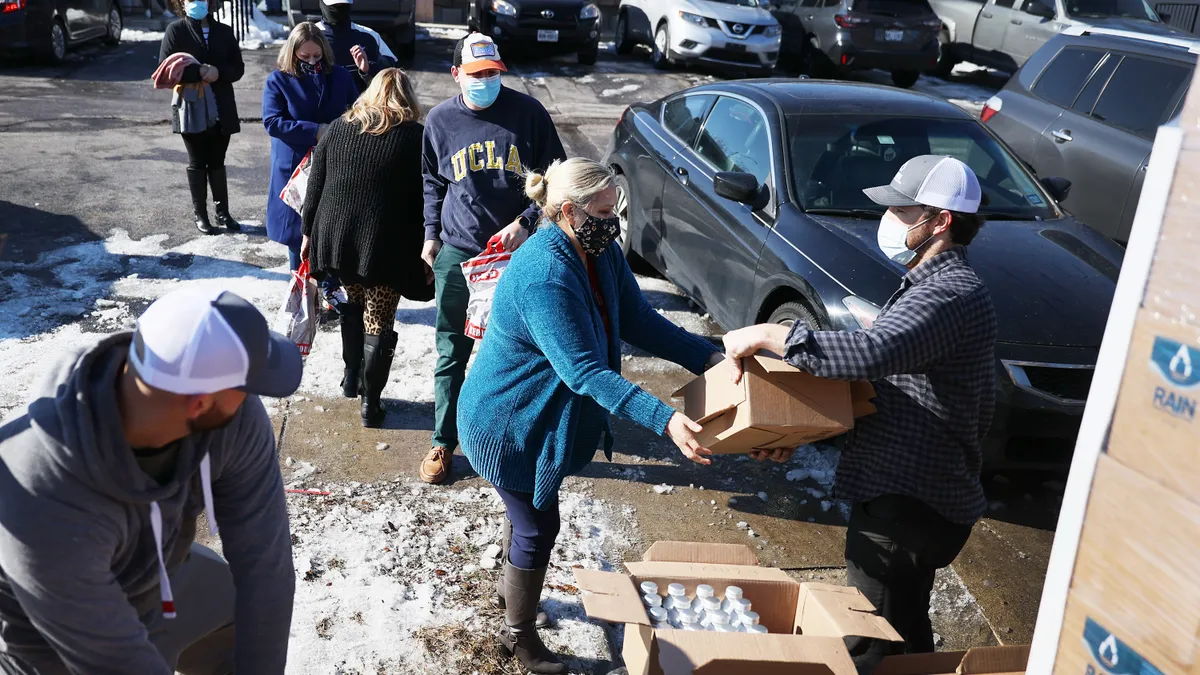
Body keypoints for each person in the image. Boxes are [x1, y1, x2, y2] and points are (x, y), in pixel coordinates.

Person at [723, 155, 998, 674]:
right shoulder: (936, 285)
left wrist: (768, 334)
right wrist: (797, 428)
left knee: (871, 641)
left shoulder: (946, 294)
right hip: (914, 494)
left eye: (901, 209)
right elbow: (888, 380)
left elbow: (870, 355)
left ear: (939, 221)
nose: (888, 219)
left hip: (909, 503)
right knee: (904, 624)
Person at [458, 158, 723, 674]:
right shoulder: (545, 273)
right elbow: (583, 372)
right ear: (569, 212)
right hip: (509, 423)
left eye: (616, 210)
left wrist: (706, 357)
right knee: (538, 525)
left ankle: (509, 594)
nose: (614, 221)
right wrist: (664, 419)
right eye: (604, 212)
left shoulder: (597, 252)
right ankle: (521, 637)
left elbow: (641, 320)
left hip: (540, 417)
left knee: (527, 516)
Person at [0, 287, 301, 674]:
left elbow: (266, 567)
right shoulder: (40, 495)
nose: (251, 397)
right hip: (54, 644)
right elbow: (114, 663)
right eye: (244, 388)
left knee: (242, 614)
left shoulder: (229, 416)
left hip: (156, 580)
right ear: (199, 403)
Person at [420, 33, 567, 485]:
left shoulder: (529, 114)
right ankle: (443, 442)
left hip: (518, 256)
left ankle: (514, 440)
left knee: (521, 349)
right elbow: (432, 182)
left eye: (493, 73)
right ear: (456, 74)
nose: (486, 81)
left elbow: (557, 176)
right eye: (477, 74)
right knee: (452, 348)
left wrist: (526, 220)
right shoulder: (441, 120)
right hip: (460, 253)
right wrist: (430, 236)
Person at [301, 68, 433, 428]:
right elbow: (426, 196)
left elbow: (315, 182)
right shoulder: (415, 137)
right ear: (407, 97)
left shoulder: (339, 127)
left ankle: (350, 377)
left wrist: (307, 231)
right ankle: (370, 404)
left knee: (352, 305)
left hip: (337, 239)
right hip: (383, 246)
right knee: (379, 318)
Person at [263, 22, 360, 274]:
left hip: (333, 163)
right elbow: (273, 122)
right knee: (297, 236)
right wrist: (315, 130)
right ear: (292, 52)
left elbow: (357, 110)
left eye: (317, 56)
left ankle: (330, 288)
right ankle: (302, 289)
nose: (312, 61)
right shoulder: (278, 80)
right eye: (304, 56)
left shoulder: (339, 75)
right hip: (295, 166)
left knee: (330, 230)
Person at [159, 0, 245, 236]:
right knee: (198, 160)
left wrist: (219, 73)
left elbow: (237, 67)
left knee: (218, 160)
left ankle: (222, 212)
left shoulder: (224, 31)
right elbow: (166, 67)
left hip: (221, 105)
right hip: (192, 107)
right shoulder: (176, 30)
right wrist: (199, 72)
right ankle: (201, 215)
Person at [316, 0, 394, 94]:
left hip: (362, 106)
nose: (339, 9)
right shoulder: (310, 36)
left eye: (343, 5)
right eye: (335, 5)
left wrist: (368, 69)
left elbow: (393, 73)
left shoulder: (369, 36)